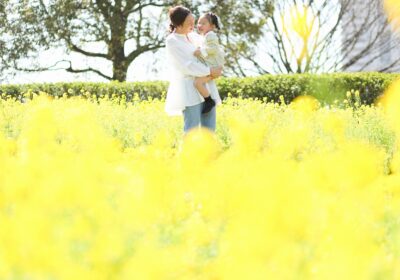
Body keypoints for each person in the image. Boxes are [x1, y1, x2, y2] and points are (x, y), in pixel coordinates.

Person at [165, 6, 223, 133]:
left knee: (209, 131)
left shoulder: (195, 37)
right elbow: (187, 66)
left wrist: (218, 66)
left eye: (193, 21)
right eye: (189, 23)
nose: (194, 25)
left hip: (207, 86)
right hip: (190, 91)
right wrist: (210, 71)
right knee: (191, 131)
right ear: (179, 24)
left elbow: (212, 50)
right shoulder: (172, 41)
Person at [193, 12, 225, 114]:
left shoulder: (210, 35)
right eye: (198, 23)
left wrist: (201, 51)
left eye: (203, 23)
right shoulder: (204, 36)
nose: (199, 25)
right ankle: (208, 100)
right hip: (212, 66)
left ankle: (209, 101)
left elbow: (214, 48)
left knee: (198, 83)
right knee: (198, 82)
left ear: (212, 26)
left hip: (214, 66)